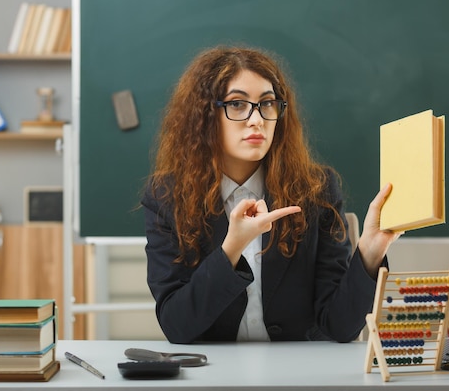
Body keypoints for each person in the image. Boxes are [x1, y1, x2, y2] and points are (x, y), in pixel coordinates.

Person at [141, 45, 402, 344]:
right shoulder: (166, 198)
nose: (257, 119)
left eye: (267, 104)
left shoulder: (316, 190)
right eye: (237, 104)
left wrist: (370, 251)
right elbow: (177, 326)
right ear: (205, 116)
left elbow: (339, 327)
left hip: (298, 374)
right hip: (215, 374)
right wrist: (231, 249)